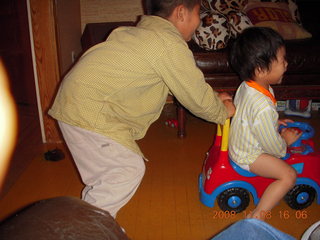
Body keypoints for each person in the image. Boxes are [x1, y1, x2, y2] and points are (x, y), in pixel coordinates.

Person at [48, 0, 235, 218]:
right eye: (197, 15)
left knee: (105, 178)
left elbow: (179, 84)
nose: (199, 23)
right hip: (91, 110)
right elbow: (194, 95)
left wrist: (213, 97)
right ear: (181, 13)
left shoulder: (142, 34)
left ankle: (94, 223)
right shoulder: (168, 43)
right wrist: (222, 112)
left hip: (76, 103)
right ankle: (90, 229)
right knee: (126, 170)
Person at [228, 27, 301, 220]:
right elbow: (273, 148)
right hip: (249, 155)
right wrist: (285, 142)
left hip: (242, 141)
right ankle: (258, 216)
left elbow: (252, 118)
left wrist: (274, 121)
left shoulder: (248, 85)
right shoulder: (263, 107)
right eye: (282, 60)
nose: (286, 64)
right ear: (260, 70)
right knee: (289, 176)